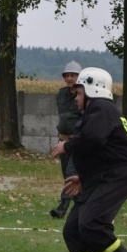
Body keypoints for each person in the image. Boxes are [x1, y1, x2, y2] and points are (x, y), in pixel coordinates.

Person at [51, 67, 127, 252]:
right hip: (100, 177)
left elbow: (94, 139)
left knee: (92, 222)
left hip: (117, 176)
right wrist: (83, 178)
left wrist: (67, 146)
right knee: (73, 230)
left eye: (78, 93)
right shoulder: (97, 112)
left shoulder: (101, 108)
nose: (75, 98)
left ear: (91, 90)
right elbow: (102, 151)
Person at [50, 60, 82, 218]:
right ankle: (80, 205)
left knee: (71, 172)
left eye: (73, 75)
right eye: (67, 75)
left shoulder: (84, 95)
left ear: (79, 77)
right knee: (67, 175)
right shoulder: (61, 94)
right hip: (63, 141)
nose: (69, 78)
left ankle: (62, 208)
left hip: (76, 142)